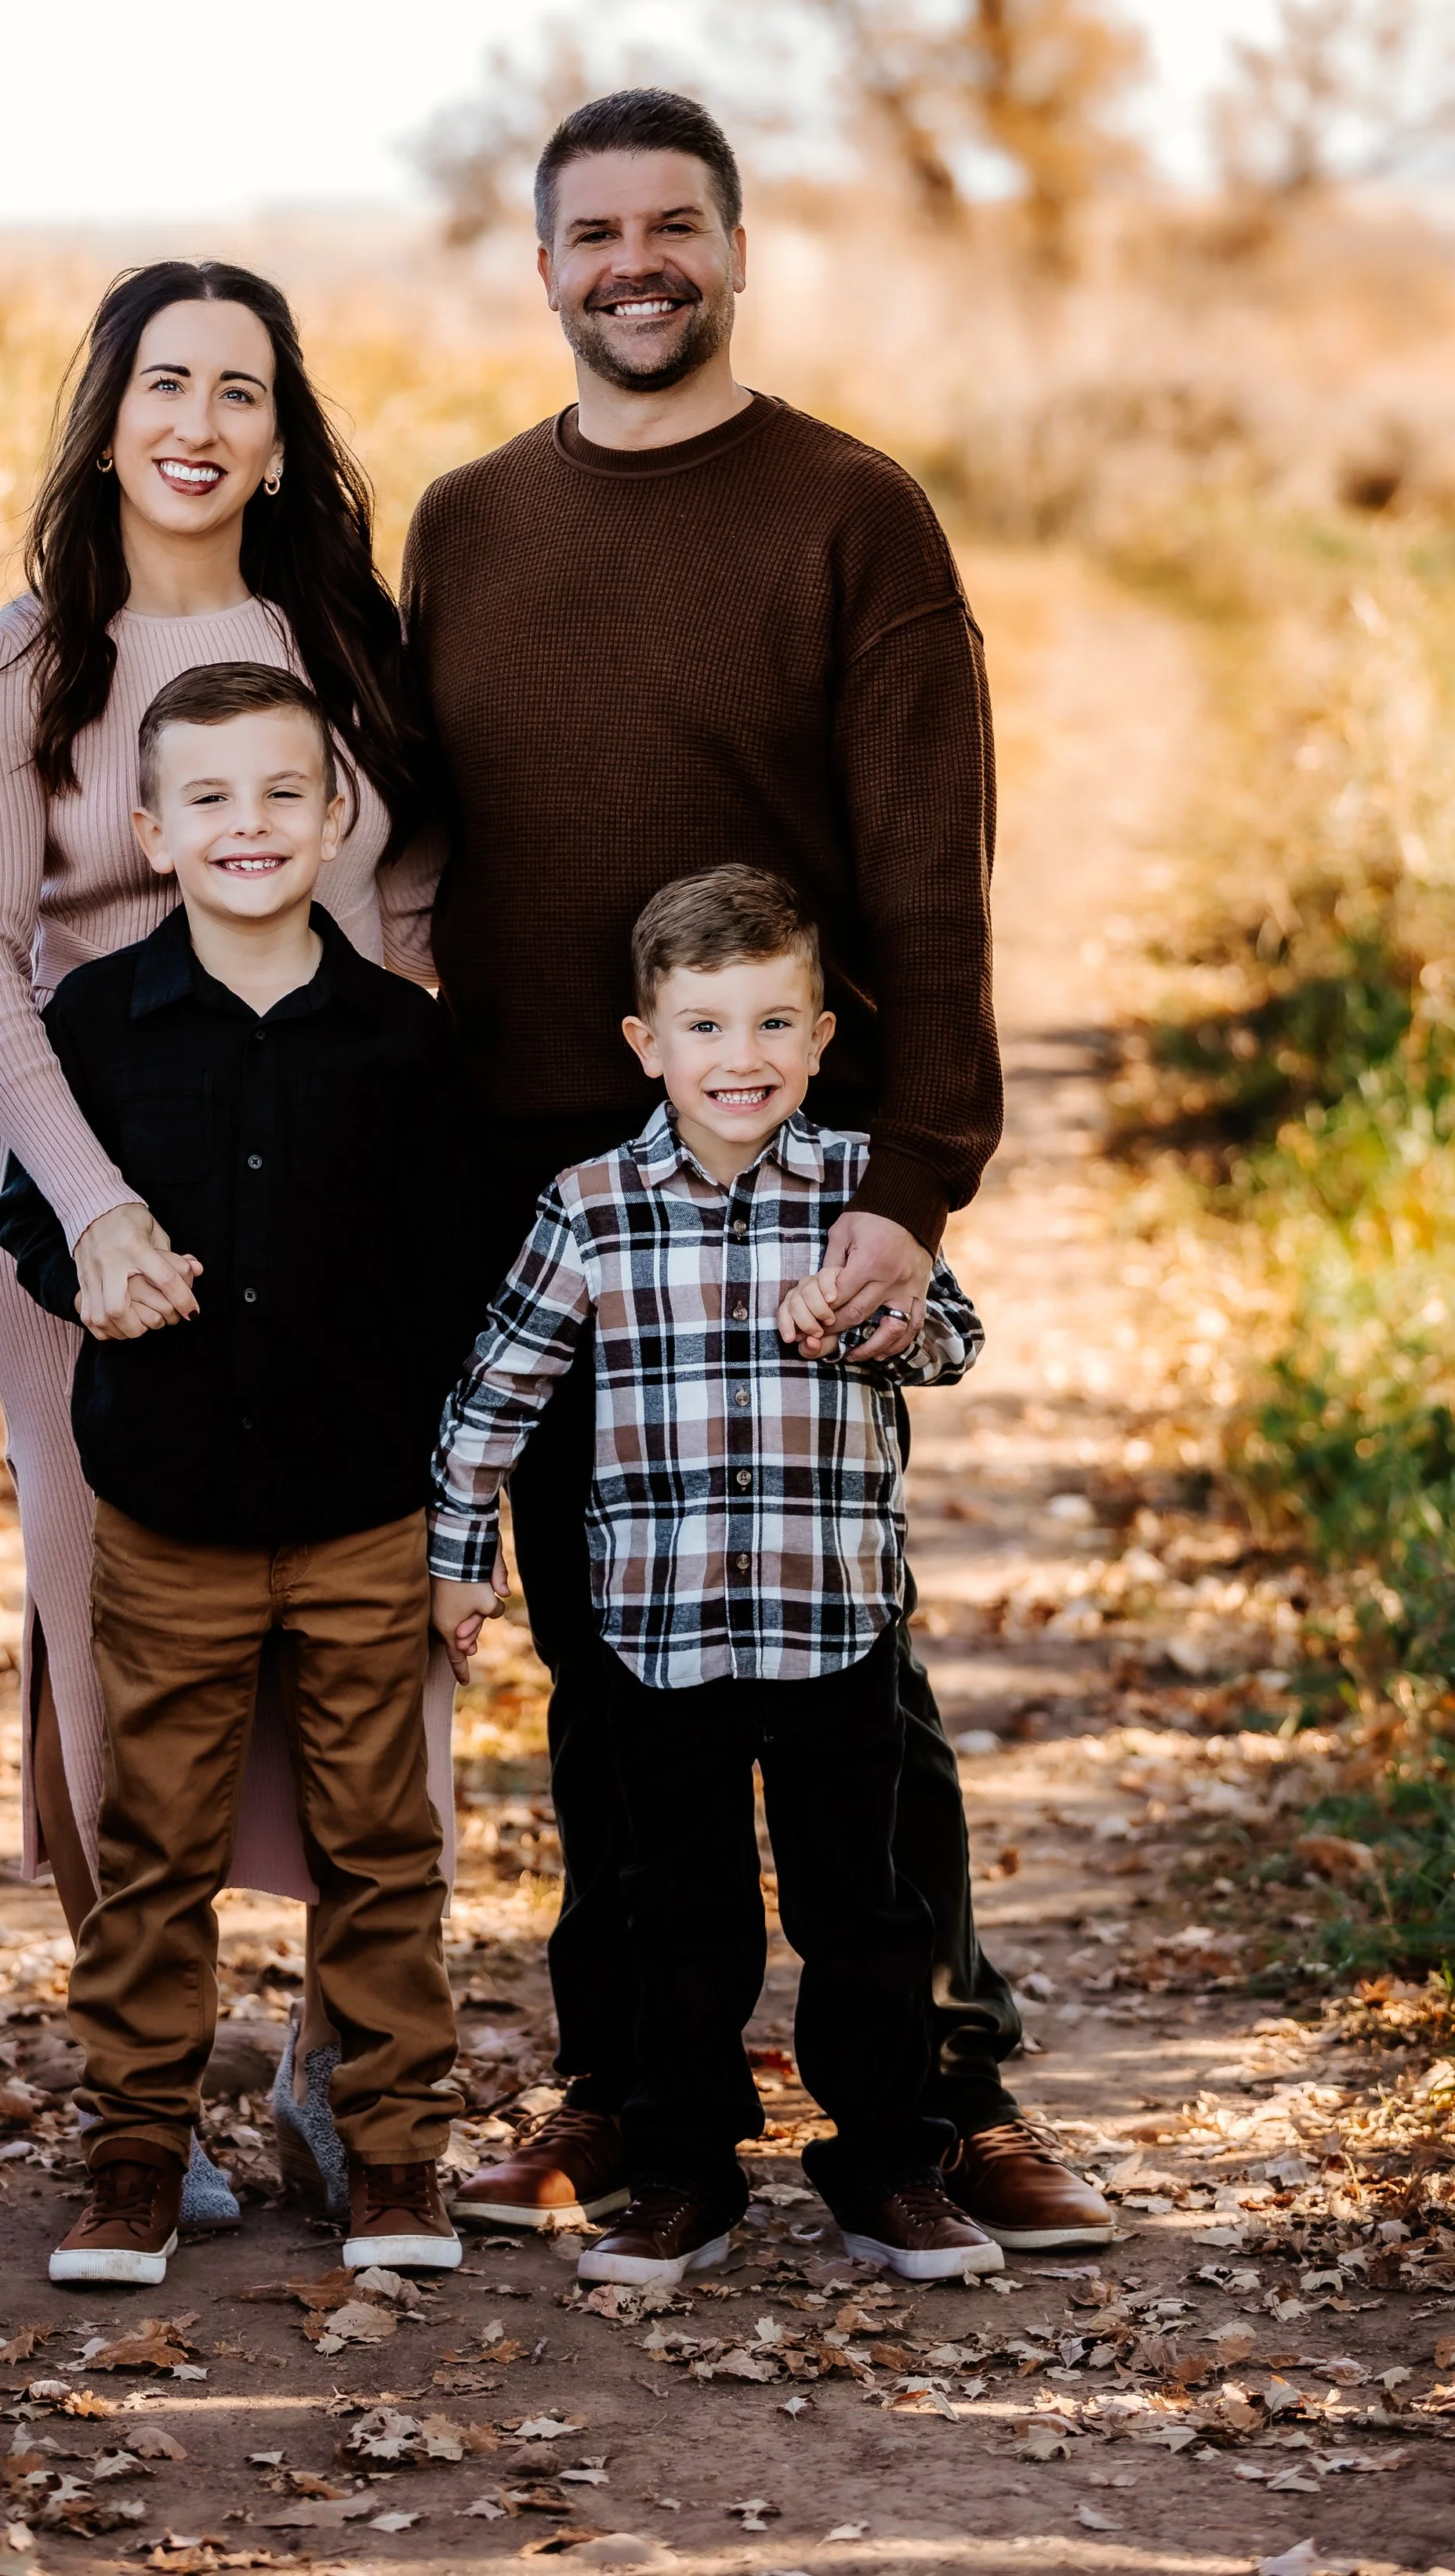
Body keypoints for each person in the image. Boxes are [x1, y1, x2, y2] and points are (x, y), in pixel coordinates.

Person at [405, 89, 1111, 2254]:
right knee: (612, 1670)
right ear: (538, 265)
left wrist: (916, 1173)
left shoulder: (849, 512)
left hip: (794, 1178)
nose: (636, 262)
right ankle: (635, 2082)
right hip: (542, 1181)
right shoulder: (458, 523)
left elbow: (930, 872)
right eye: (592, 229)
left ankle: (943, 2088)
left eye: (675, 226)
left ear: (736, 247)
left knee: (839, 1662)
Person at [0, 259, 450, 2220]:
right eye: (166, 381)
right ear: (110, 408)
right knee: (114, 1649)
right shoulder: (19, 665)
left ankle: (344, 2076)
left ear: (280, 429)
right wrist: (96, 1208)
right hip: (91, 1225)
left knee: (368, 1652)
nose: (201, 423)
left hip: (335, 1221)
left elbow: (405, 925)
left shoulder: (351, 644)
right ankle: (148, 2103)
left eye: (242, 388)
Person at [432, 867, 999, 2283]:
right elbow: (492, 1396)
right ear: (646, 1043)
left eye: (769, 1025)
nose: (736, 1060)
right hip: (656, 1628)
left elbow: (957, 1337)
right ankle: (685, 2171)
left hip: (832, 1619)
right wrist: (458, 1563)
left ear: (818, 1037)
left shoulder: (860, 1196)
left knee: (860, 1912)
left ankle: (889, 2167)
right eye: (702, 1027)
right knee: (675, 1911)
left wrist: (887, 1327)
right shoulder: (590, 1206)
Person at [0, 662, 485, 2284]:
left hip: (362, 1515)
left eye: (284, 792)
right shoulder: (94, 1025)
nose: (249, 824)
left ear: (337, 817)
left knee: (381, 1845)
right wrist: (94, 1271)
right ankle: (137, 2152)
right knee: (153, 1848)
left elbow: (457, 1281)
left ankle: (392, 2155)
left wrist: (461, 1521)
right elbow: (30, 1214)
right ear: (151, 828)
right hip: (169, 1514)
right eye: (207, 797)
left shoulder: (404, 1046)